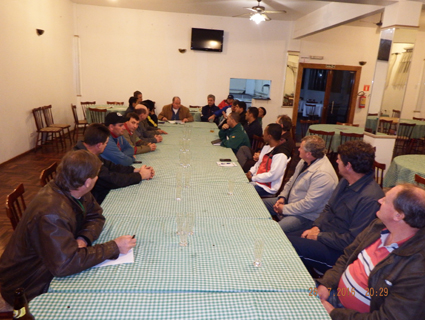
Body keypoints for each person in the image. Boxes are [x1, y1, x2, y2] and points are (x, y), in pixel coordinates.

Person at [0, 150, 137, 305]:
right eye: (96, 175)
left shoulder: (74, 187)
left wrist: (83, 238)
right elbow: (65, 265)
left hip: (50, 263)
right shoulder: (51, 213)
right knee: (100, 297)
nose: (97, 178)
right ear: (87, 181)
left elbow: (96, 215)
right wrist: (114, 247)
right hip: (27, 283)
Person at [317, 184, 425, 320]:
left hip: (346, 314)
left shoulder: (417, 266)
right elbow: (346, 257)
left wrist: (334, 313)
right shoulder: (378, 227)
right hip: (333, 293)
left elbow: (389, 318)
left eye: (385, 200)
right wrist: (327, 283)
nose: (379, 200)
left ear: (398, 215)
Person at [287, 140, 384, 274]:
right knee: (281, 238)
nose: (336, 162)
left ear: (348, 166)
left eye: (338, 159)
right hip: (325, 235)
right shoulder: (346, 181)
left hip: (339, 254)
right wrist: (316, 226)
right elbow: (328, 208)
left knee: (285, 246)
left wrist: (319, 236)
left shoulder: (369, 199)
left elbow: (352, 241)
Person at [262, 135, 338, 233]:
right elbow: (291, 181)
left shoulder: (323, 175)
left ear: (309, 154)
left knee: (273, 231)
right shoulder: (304, 161)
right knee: (256, 205)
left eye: (301, 148)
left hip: (306, 216)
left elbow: (309, 205)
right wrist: (282, 197)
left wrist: (284, 209)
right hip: (291, 202)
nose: (298, 149)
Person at [74, 123, 154, 203]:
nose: (106, 146)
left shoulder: (89, 152)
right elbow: (111, 180)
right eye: (106, 143)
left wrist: (135, 170)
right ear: (99, 145)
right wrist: (140, 176)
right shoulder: (85, 161)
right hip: (90, 202)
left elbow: (111, 166)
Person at [246, 123, 290, 196]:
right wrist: (251, 171)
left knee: (242, 191)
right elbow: (259, 163)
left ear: (269, 136)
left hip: (267, 188)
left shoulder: (281, 154)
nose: (263, 135)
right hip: (257, 180)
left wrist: (254, 178)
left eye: (264, 132)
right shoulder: (266, 146)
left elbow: (273, 175)